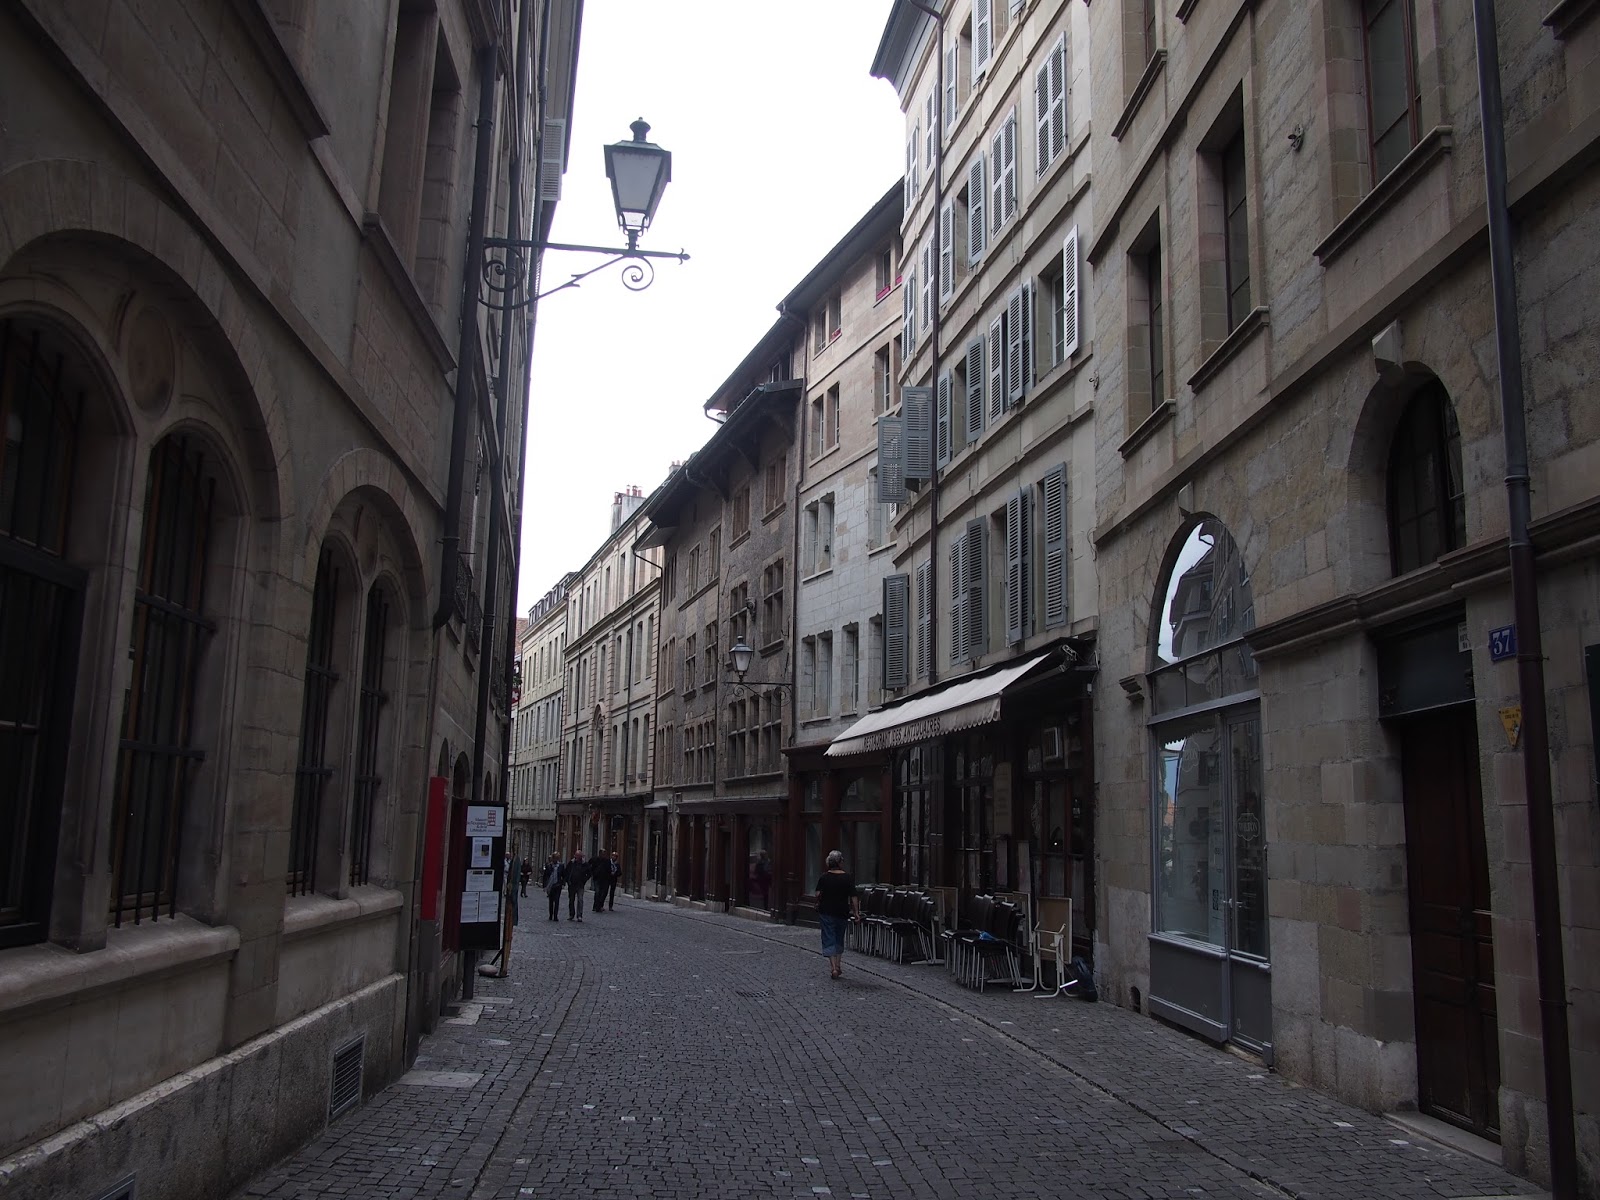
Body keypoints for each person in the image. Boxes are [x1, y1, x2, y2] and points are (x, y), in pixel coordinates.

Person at [815, 849, 860, 980]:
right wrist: (856, 912)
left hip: (826, 911)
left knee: (829, 937)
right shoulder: (847, 878)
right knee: (839, 937)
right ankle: (839, 965)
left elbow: (817, 894)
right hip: (842, 912)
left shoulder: (824, 877)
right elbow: (854, 896)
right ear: (840, 862)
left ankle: (833, 967)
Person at [565, 848, 590, 921]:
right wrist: (568, 880)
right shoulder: (571, 863)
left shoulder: (585, 864)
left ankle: (579, 915)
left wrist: (584, 880)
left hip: (580, 884)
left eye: (579, 856)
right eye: (576, 855)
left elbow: (589, 873)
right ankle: (571, 914)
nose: (577, 857)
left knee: (580, 900)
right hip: (572, 884)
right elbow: (567, 872)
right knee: (571, 900)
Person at [542, 853, 564, 922]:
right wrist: (545, 886)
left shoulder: (561, 866)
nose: (555, 860)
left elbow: (563, 874)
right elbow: (545, 876)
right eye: (555, 858)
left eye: (557, 858)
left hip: (558, 885)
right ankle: (551, 914)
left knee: (557, 900)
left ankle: (555, 915)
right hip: (550, 885)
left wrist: (563, 883)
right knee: (551, 901)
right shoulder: (549, 866)